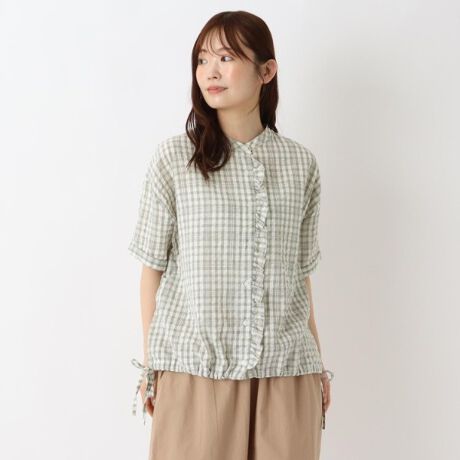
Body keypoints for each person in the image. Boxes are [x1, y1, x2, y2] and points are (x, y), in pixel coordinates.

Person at [128, 10, 334, 460]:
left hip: (287, 373)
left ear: (266, 71)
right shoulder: (174, 161)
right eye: (202, 60)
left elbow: (299, 276)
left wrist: (316, 363)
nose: (210, 71)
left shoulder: (301, 165)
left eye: (225, 57)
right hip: (196, 372)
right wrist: (151, 367)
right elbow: (151, 272)